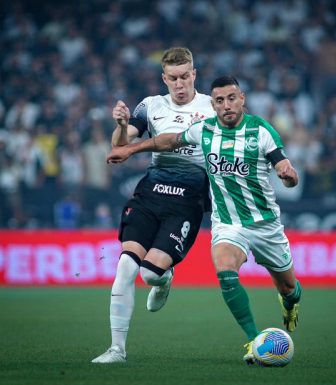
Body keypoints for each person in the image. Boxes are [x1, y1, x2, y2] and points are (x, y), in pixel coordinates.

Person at [107, 75, 302, 365]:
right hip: (227, 223)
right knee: (225, 270)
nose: (226, 105)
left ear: (242, 99)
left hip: (264, 224)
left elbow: (283, 165)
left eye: (231, 98)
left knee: (288, 287)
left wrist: (288, 175)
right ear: (213, 104)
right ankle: (254, 340)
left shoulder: (260, 130)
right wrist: (130, 149)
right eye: (220, 101)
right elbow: (169, 140)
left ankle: (290, 303)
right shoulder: (206, 129)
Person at [91, 47, 215, 364]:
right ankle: (116, 349)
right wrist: (120, 125)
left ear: (194, 75)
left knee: (149, 275)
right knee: (125, 266)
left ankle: (164, 279)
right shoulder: (151, 106)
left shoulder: (211, 107)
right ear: (164, 78)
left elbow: (178, 143)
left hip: (188, 200)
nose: (180, 83)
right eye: (173, 78)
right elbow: (120, 144)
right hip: (150, 193)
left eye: (185, 76)